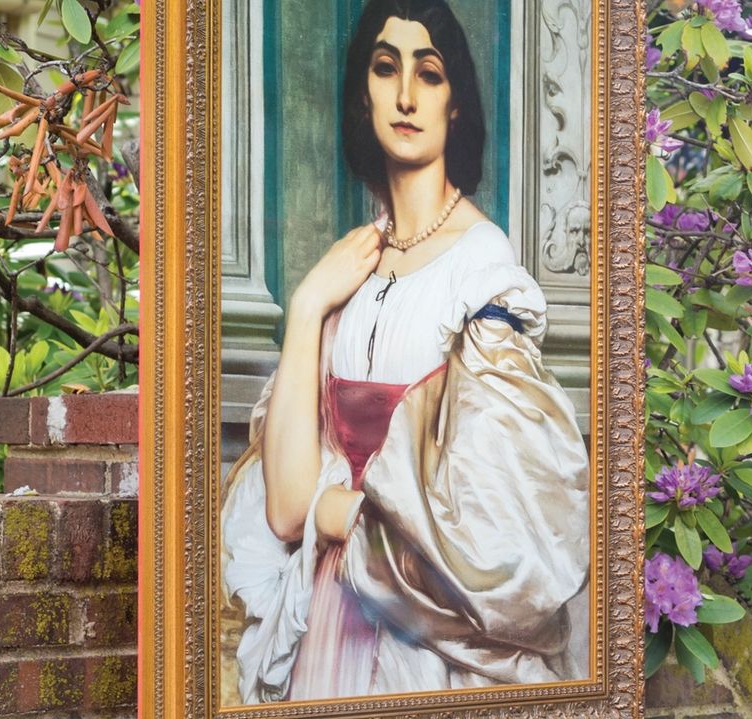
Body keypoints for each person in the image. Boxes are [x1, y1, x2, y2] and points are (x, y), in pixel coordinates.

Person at [219, 0, 590, 702]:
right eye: (386, 69)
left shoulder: (482, 270)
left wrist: (347, 513)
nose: (407, 95)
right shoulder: (351, 268)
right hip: (334, 612)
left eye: (430, 73)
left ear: (456, 103)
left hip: (429, 634)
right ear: (364, 93)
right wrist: (306, 308)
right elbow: (289, 510)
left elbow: (488, 529)